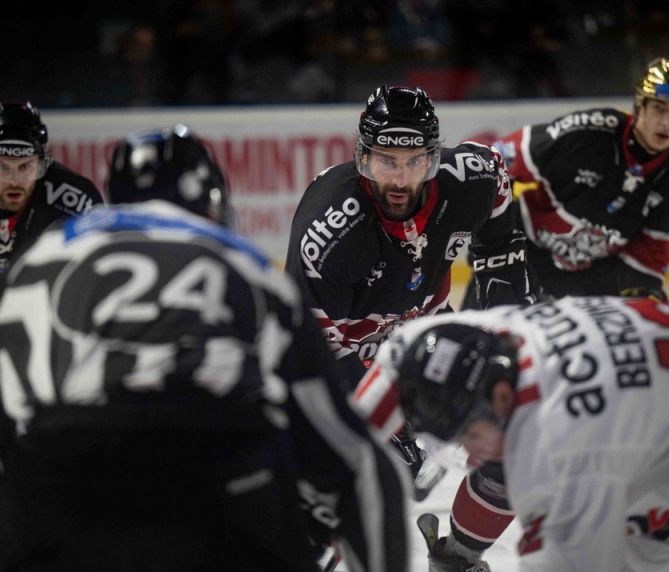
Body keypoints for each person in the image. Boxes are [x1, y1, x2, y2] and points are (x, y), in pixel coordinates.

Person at [0, 125, 409, 572]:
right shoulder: (247, 264)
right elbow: (357, 461)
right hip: (217, 482)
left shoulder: (37, 261)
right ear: (209, 200)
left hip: (66, 485)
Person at [356, 294, 669, 571]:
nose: (470, 459)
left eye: (469, 437)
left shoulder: (560, 450)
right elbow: (400, 355)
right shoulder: (492, 336)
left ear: (505, 399)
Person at [284, 85, 541, 499]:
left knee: (517, 422)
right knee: (369, 478)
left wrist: (505, 316)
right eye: (387, 161)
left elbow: (495, 178)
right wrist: (391, 419)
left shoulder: (471, 179)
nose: (401, 179)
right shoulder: (330, 230)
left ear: (432, 158)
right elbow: (311, 347)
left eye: (414, 161)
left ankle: (458, 555)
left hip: (423, 331)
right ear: (363, 157)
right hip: (347, 353)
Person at [462, 57, 669, 308]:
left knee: (635, 328)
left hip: (598, 272)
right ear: (640, 105)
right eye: (660, 108)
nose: (667, 122)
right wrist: (494, 236)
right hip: (527, 252)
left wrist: (642, 297)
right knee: (475, 331)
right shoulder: (587, 133)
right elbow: (496, 159)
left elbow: (650, 254)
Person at [0, 100, 104, 274]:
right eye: (2, 167)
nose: (14, 181)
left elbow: (98, 272)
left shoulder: (77, 201)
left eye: (25, 167)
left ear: (41, 164)